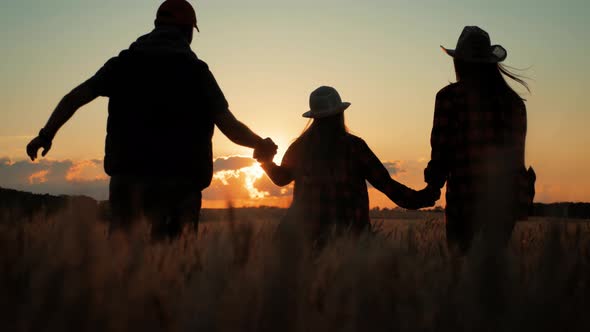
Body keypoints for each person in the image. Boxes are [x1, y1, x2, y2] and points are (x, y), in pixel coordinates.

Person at [26, 0, 277, 240]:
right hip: (180, 185)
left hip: (128, 182)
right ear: (187, 30)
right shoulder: (196, 72)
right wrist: (260, 144)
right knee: (175, 267)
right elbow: (229, 126)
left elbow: (74, 98)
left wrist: (46, 135)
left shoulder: (123, 64)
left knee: (125, 269)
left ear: (157, 26)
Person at [254, 86, 438, 244]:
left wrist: (265, 161)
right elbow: (386, 184)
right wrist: (422, 198)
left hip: (305, 239)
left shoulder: (300, 147)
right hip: (351, 239)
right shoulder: (355, 147)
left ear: (314, 118)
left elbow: (280, 178)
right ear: (340, 114)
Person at [424, 26, 535, 254]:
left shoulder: (449, 98)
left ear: (460, 62)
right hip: (504, 202)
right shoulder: (514, 103)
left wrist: (432, 187)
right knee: (492, 273)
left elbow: (441, 152)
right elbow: (516, 157)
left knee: (462, 273)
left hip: (464, 200)